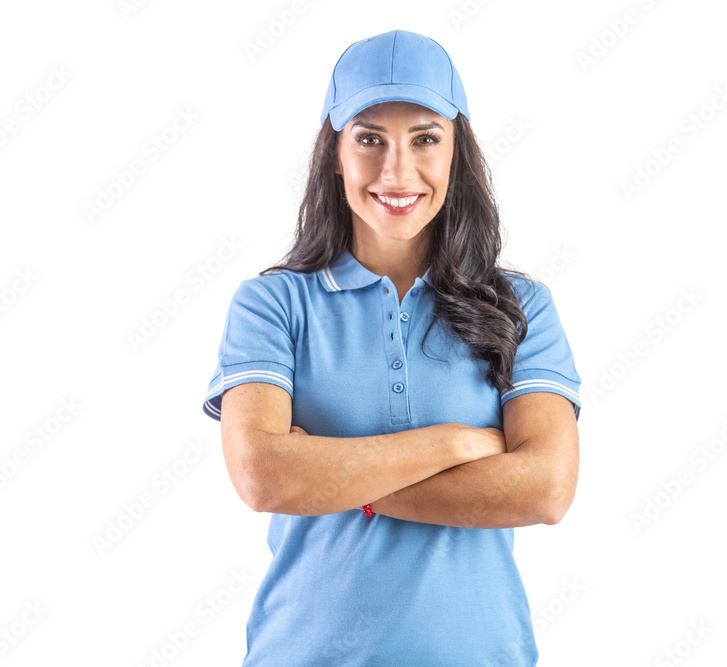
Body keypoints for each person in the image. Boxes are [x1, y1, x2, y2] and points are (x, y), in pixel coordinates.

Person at [202, 29, 582, 666]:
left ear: (457, 152)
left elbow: (545, 489)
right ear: (335, 153)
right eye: (369, 138)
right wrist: (456, 444)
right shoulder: (272, 306)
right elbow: (264, 477)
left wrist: (329, 477)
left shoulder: (520, 308)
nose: (396, 171)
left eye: (425, 138)